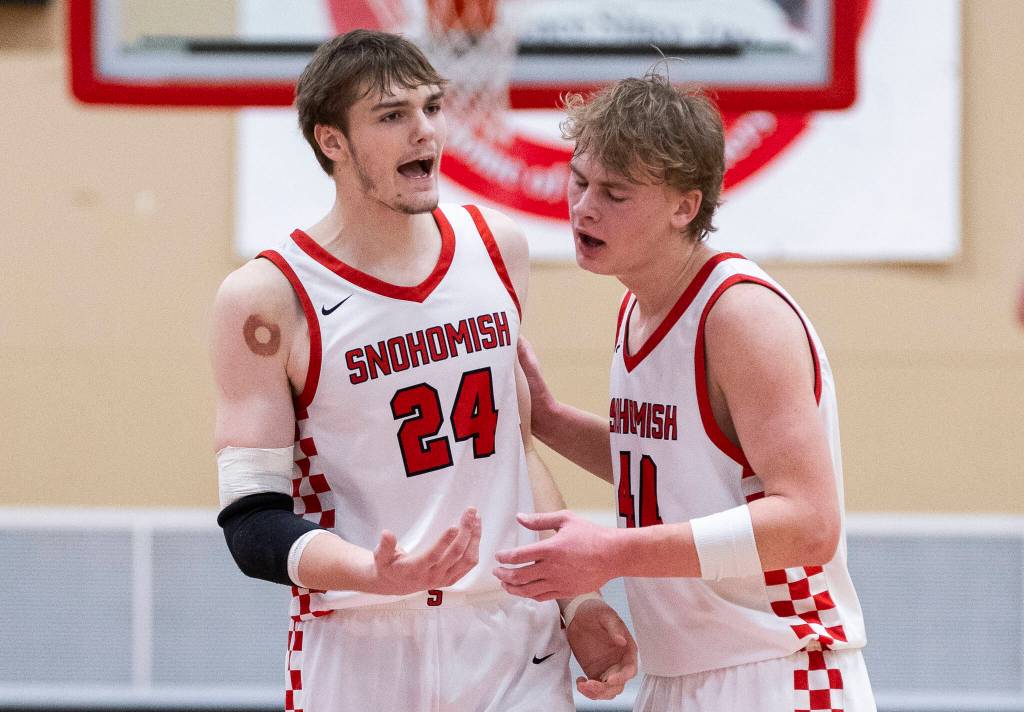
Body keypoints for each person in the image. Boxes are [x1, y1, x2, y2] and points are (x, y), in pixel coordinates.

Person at [209, 30, 635, 712]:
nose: (425, 132)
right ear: (333, 142)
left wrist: (576, 598)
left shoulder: (497, 247)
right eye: (391, 115)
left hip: (509, 636)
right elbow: (252, 523)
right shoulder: (270, 297)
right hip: (360, 635)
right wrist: (374, 571)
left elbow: (515, 455)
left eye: (431, 108)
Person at [493, 70, 877, 711]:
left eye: (615, 193)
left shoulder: (738, 314)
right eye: (580, 180)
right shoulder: (637, 308)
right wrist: (552, 420)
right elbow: (674, 475)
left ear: (684, 205)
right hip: (678, 676)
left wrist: (610, 553)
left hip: (780, 671)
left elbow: (810, 524)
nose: (584, 207)